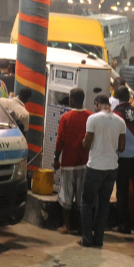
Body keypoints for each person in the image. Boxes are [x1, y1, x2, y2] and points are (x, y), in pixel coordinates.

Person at [79, 94, 125, 248]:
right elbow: (122, 147)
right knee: (103, 204)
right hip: (112, 168)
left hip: (95, 167)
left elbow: (86, 144)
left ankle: (86, 238)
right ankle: (98, 239)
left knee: (86, 203)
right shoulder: (120, 121)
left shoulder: (93, 119)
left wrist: (84, 141)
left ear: (97, 104)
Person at [53, 88, 92, 235]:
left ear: (73, 100)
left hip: (68, 163)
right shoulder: (90, 116)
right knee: (82, 195)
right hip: (85, 162)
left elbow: (60, 140)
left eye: (70, 98)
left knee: (66, 195)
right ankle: (80, 226)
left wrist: (56, 159)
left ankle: (66, 225)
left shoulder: (66, 117)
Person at [112, 86, 134, 233]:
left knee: (122, 190)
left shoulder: (116, 113)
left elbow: (115, 136)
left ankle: (124, 224)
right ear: (128, 97)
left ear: (116, 97)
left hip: (123, 157)